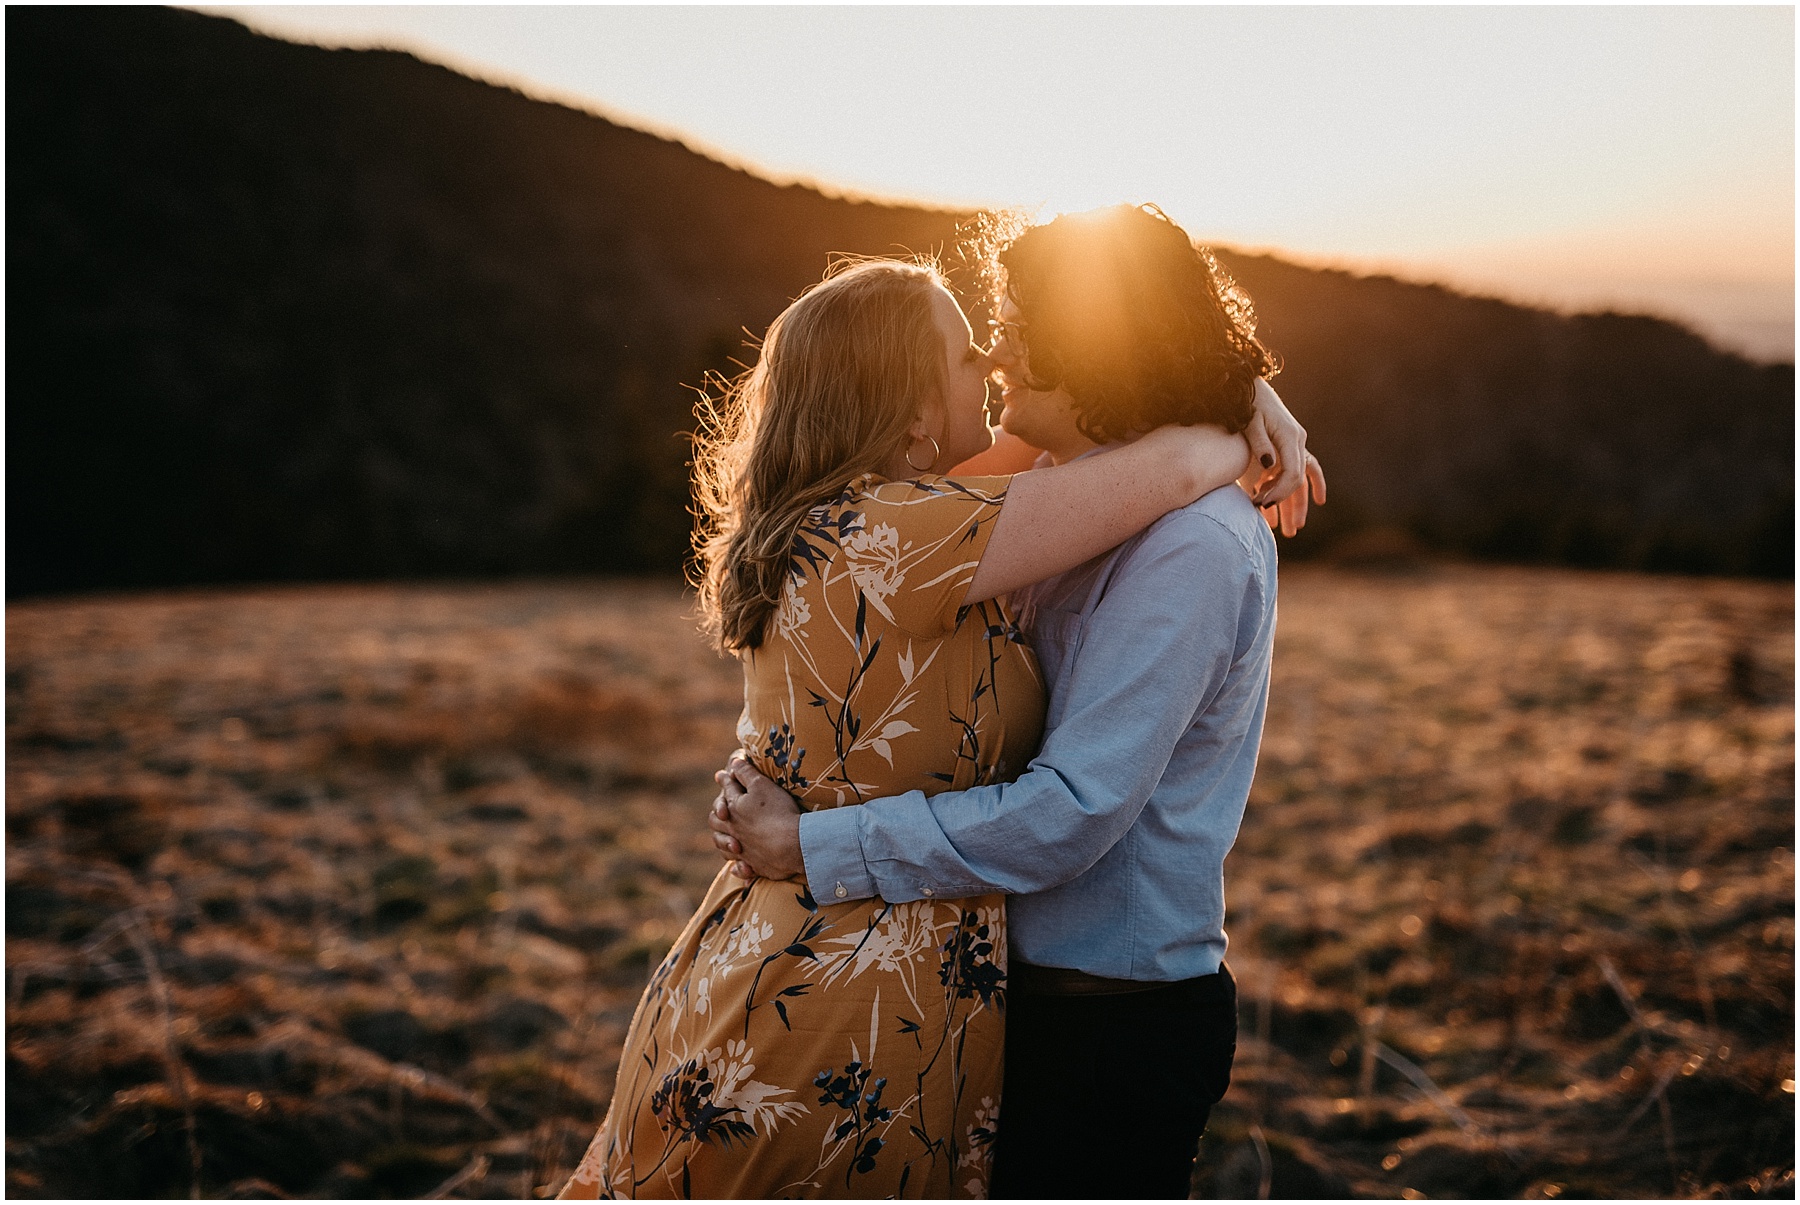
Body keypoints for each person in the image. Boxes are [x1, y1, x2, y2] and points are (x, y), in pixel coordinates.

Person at [558, 251, 1311, 1199]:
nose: (993, 359)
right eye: (965, 353)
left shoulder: (1101, 526)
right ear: (912, 414)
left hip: (1035, 1011)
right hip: (848, 1002)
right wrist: (1239, 431)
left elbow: (1075, 803)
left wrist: (1245, 400)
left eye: (1003, 337)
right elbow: (1165, 458)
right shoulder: (907, 531)